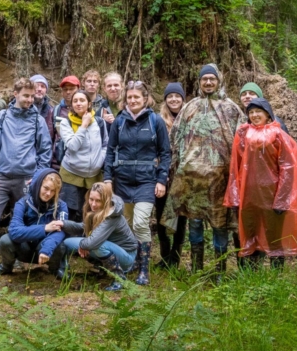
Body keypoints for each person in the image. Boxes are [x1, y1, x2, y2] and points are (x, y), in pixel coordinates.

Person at [165, 64, 244, 276]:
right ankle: (196, 270)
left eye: (212, 79)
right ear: (199, 82)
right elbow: (175, 140)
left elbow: (241, 144)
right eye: (204, 79)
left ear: (219, 80)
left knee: (220, 225)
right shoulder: (189, 107)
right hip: (192, 182)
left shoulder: (231, 109)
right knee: (195, 223)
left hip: (220, 182)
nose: (208, 82)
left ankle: (219, 271)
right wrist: (175, 169)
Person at [103, 81, 170, 285]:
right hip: (122, 180)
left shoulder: (155, 121)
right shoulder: (119, 122)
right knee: (129, 225)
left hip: (146, 181)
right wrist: (107, 178)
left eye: (136, 97)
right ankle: (133, 261)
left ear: (145, 98)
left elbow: (165, 153)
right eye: (129, 97)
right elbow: (110, 151)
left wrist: (161, 179)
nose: (132, 101)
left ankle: (144, 268)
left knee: (141, 222)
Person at [224, 98, 297, 270]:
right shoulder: (243, 133)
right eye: (251, 112)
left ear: (267, 113)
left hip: (271, 194)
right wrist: (235, 197)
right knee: (250, 233)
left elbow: (288, 168)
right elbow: (235, 166)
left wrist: (282, 199)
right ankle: (252, 276)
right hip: (248, 194)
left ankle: (276, 277)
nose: (254, 115)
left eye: (258, 111)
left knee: (274, 236)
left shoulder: (278, 134)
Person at [0, 78, 52, 265]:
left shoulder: (38, 120)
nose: (29, 99)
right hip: (1, 178)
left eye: (32, 96)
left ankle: (20, 255)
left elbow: (45, 151)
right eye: (25, 95)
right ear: (15, 94)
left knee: (24, 218)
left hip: (27, 180)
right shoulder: (2, 117)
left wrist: (37, 178)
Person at [0, 169, 69, 279]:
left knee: (60, 244)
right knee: (5, 240)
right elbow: (14, 231)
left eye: (53, 191)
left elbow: (60, 231)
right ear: (38, 185)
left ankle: (55, 269)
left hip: (45, 250)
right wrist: (45, 228)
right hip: (25, 247)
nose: (48, 194)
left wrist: (46, 249)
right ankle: (6, 267)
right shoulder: (23, 203)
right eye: (46, 188)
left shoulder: (61, 206)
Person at [62, 182, 138, 291]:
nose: (93, 204)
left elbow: (93, 243)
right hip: (106, 247)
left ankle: (119, 278)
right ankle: (102, 267)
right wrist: (63, 224)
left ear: (106, 200)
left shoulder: (112, 216)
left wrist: (84, 245)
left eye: (98, 201)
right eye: (91, 199)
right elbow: (83, 226)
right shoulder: (97, 211)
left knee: (97, 245)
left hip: (126, 256)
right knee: (67, 243)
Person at [56, 90, 108, 223]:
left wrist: (99, 160)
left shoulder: (99, 122)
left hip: (94, 176)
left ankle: (89, 242)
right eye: (75, 101)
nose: (78, 103)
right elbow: (73, 146)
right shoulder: (65, 123)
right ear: (71, 105)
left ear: (89, 103)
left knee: (92, 212)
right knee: (71, 212)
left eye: (82, 100)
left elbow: (105, 145)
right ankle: (69, 242)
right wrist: (84, 125)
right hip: (71, 174)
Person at [155, 82, 187, 268]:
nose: (174, 99)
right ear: (165, 100)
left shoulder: (190, 118)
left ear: (183, 99)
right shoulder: (158, 120)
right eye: (170, 96)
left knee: (181, 216)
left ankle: (176, 256)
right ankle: (164, 254)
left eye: (177, 96)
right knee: (160, 215)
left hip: (184, 176)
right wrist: (160, 173)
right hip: (163, 175)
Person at [52, 75, 81, 170]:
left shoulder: (85, 111)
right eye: (65, 89)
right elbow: (49, 138)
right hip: (58, 162)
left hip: (80, 162)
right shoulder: (56, 110)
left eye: (72, 89)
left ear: (78, 89)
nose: (68, 92)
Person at [30, 74, 55, 143]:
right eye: (36, 86)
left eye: (43, 86)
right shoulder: (22, 108)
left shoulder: (52, 111)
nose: (39, 89)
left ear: (46, 91)